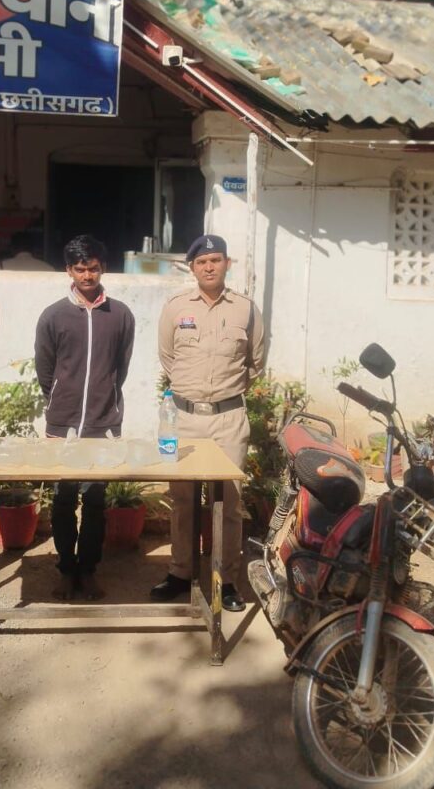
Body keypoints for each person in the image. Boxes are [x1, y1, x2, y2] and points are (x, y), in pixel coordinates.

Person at [151, 234, 264, 612]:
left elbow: (255, 363)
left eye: (216, 260)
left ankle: (226, 580)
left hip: (228, 419)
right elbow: (167, 357)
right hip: (183, 418)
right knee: (182, 500)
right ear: (192, 267)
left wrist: (222, 394)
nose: (209, 267)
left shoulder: (247, 310)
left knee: (228, 502)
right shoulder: (175, 308)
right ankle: (181, 572)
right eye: (202, 262)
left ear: (227, 264)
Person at [34, 234, 135, 601]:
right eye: (80, 269)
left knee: (95, 501)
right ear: (69, 271)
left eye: (93, 268)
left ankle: (89, 570)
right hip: (62, 424)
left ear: (102, 268)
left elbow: (121, 366)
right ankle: (66, 569)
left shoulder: (120, 314)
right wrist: (61, 400)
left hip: (102, 424)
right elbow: (45, 369)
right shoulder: (53, 315)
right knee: (63, 499)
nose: (87, 275)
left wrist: (106, 400)